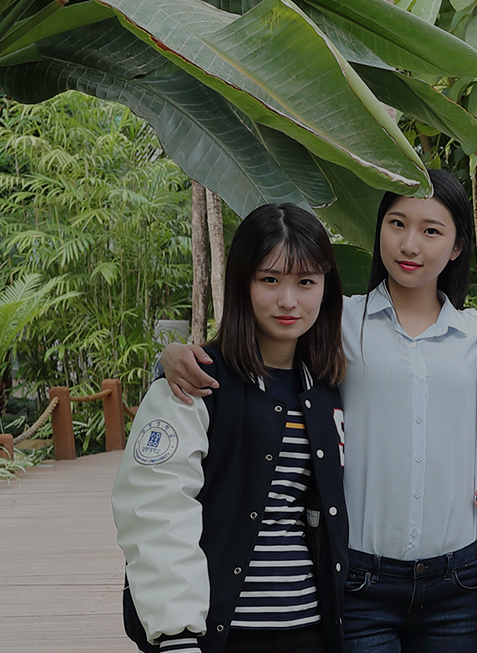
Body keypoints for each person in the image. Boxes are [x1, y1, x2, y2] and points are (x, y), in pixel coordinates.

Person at [157, 171, 477, 653]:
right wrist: (169, 358)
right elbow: (253, 347)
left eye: (431, 231)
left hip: (455, 577)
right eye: (397, 223)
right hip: (360, 576)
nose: (409, 244)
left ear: (458, 246)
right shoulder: (335, 323)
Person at [114, 204, 351, 653]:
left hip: (310, 629)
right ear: (243, 283)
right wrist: (178, 635)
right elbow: (156, 508)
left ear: (326, 287)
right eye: (270, 280)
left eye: (306, 282)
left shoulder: (326, 387)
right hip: (221, 633)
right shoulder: (197, 382)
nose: (288, 300)